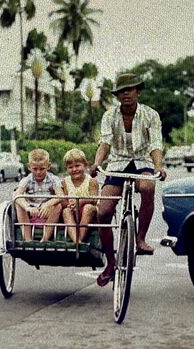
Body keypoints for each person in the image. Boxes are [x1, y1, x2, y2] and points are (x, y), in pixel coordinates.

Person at [91, 72, 167, 287]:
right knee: (103, 212)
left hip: (142, 161)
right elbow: (104, 143)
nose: (126, 94)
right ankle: (111, 263)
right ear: (117, 96)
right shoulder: (109, 116)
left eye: (130, 90)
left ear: (138, 92)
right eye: (122, 91)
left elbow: (155, 144)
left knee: (147, 186)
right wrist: (97, 163)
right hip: (117, 163)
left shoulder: (151, 115)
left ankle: (140, 239)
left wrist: (158, 166)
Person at [14, 148, 63, 242]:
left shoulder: (53, 179)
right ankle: (28, 240)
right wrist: (27, 207)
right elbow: (17, 195)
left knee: (58, 206)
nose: (38, 172)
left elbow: (61, 195)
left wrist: (48, 204)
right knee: (18, 204)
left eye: (42, 169)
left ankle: (44, 239)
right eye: (35, 169)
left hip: (47, 211)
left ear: (48, 166)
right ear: (29, 167)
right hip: (31, 211)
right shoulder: (26, 180)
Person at [62, 148, 99, 243]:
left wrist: (80, 202)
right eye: (70, 167)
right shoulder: (65, 182)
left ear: (85, 165)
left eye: (77, 166)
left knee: (88, 208)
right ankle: (76, 240)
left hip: (88, 213)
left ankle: (80, 238)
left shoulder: (91, 181)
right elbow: (64, 200)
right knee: (66, 211)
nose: (74, 169)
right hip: (73, 211)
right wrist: (69, 205)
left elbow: (94, 199)